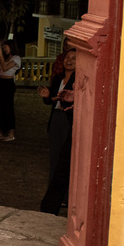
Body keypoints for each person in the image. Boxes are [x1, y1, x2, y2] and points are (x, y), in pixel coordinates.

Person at [40, 48, 77, 214]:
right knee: (54, 157)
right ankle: (55, 195)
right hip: (55, 119)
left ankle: (66, 197)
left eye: (73, 58)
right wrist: (47, 96)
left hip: (68, 120)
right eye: (67, 57)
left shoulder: (78, 80)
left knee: (67, 159)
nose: (69, 60)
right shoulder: (57, 78)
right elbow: (50, 100)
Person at [0, 39, 21, 141]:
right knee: (1, 108)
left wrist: (1, 55)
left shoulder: (16, 58)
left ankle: (11, 133)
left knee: (8, 108)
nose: (4, 49)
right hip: (1, 82)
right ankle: (2, 132)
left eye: (6, 47)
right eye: (3, 47)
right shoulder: (6, 58)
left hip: (9, 83)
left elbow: (5, 68)